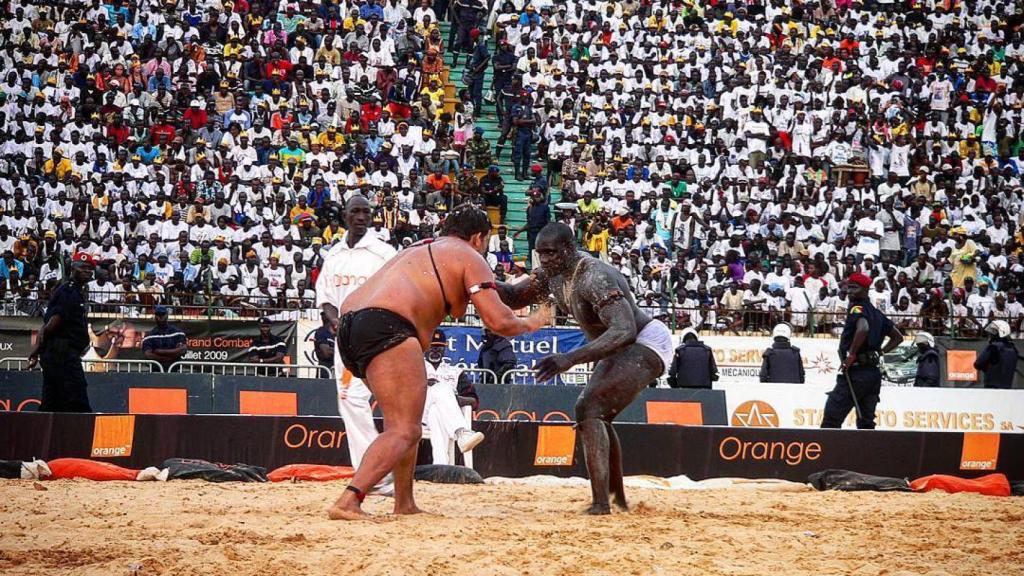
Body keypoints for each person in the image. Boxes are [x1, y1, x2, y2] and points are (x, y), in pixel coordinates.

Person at [329, 205, 551, 521]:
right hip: (387, 324)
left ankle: (404, 502)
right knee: (405, 429)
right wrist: (534, 322)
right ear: (478, 237)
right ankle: (349, 499)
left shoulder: (420, 248)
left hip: (350, 325)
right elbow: (499, 321)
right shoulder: (469, 255)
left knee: (403, 423)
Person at [492, 223, 674, 515]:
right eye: (540, 254)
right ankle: (615, 499)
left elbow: (624, 330)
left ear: (568, 249)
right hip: (618, 345)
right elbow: (514, 297)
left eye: (551, 253)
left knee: (589, 408)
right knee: (597, 415)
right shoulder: (551, 275)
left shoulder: (594, 276)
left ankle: (602, 503)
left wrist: (569, 359)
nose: (545, 260)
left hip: (645, 341)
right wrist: (477, 280)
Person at [315, 195, 397, 494]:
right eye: (355, 212)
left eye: (366, 212)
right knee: (350, 400)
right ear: (345, 216)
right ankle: (374, 475)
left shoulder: (384, 253)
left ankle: (382, 472)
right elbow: (325, 298)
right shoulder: (334, 254)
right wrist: (332, 319)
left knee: (395, 402)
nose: (361, 217)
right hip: (346, 341)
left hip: (378, 338)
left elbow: (396, 291)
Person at [821, 273, 904, 429]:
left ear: (866, 290)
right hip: (873, 374)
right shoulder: (878, 314)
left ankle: (828, 446)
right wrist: (880, 352)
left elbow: (863, 328)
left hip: (856, 372)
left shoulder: (857, 308)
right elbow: (898, 337)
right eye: (849, 287)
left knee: (832, 418)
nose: (849, 291)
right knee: (866, 423)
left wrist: (852, 354)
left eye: (854, 288)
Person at [27, 252, 96, 412]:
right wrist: (38, 349)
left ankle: (45, 427)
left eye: (90, 268)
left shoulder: (74, 291)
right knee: (78, 401)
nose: (87, 271)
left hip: (59, 353)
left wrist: (37, 350)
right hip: (62, 355)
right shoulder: (68, 292)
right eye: (83, 267)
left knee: (52, 402)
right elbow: (51, 324)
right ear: (73, 268)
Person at [423, 329, 485, 465]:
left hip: (443, 417)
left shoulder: (454, 372)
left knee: (436, 412)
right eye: (432, 346)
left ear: (445, 349)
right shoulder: (416, 368)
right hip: (418, 415)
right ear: (425, 347)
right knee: (441, 388)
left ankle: (441, 466)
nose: (435, 350)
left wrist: (454, 399)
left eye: (439, 347)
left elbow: (474, 401)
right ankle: (462, 433)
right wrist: (422, 384)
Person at [141, 305, 188, 372]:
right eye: (158, 314)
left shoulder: (178, 333)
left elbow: (183, 350)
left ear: (167, 315)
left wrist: (159, 351)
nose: (161, 317)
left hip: (175, 371)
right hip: (156, 371)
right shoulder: (149, 336)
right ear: (155, 316)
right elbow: (148, 354)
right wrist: (171, 355)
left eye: (163, 314)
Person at [974, 320, 1018, 389]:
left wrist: (987, 367)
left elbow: (978, 364)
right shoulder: (1013, 349)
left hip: (992, 387)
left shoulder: (993, 347)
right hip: (1007, 388)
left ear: (1001, 333)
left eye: (994, 332)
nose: (991, 334)